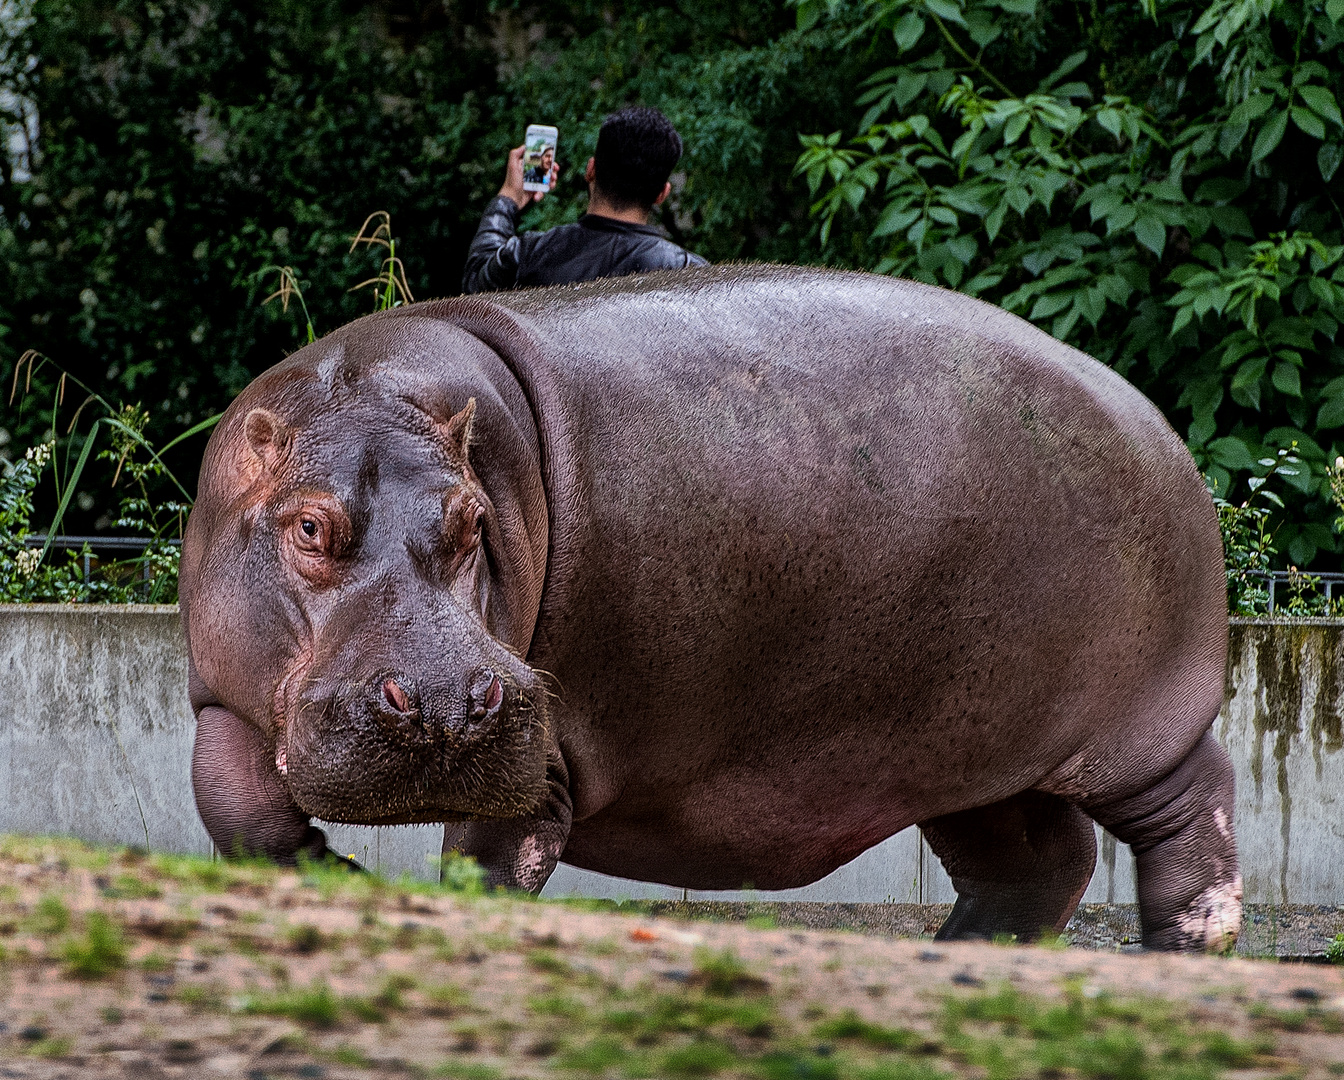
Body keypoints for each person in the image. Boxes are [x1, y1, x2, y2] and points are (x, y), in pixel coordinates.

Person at [461, 106, 707, 294]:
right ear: (661, 194)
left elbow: (476, 283)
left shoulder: (527, 256)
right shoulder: (691, 277)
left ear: (591, 170)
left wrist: (508, 198)